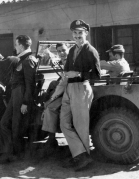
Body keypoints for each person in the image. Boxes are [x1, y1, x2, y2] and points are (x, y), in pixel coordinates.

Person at [60, 20, 101, 171]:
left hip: (81, 88)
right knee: (64, 124)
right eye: (75, 33)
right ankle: (80, 154)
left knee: (80, 126)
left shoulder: (91, 51)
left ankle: (83, 159)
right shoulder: (71, 50)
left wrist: (77, 73)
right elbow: (66, 69)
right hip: (69, 88)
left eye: (80, 33)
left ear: (86, 33)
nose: (77, 36)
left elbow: (97, 75)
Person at [0, 35, 38, 163]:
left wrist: (25, 102)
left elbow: (30, 83)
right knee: (5, 122)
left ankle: (14, 155)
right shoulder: (23, 59)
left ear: (21, 45)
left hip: (21, 93)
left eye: (16, 45)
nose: (15, 47)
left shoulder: (28, 59)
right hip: (16, 92)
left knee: (16, 125)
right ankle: (7, 152)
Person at [41, 43, 69, 148]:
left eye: (63, 50)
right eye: (59, 51)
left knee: (50, 108)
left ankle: (51, 139)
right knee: (53, 84)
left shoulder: (70, 62)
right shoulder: (67, 61)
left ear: (68, 50)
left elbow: (63, 84)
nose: (62, 53)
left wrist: (50, 100)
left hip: (69, 92)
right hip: (68, 89)